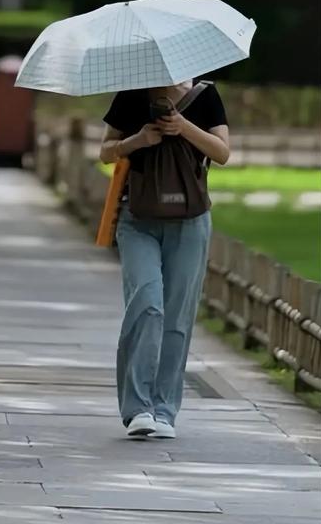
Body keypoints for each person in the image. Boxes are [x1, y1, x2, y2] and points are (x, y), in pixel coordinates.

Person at [99, 79, 230, 440]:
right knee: (147, 303)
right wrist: (138, 140)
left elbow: (222, 152)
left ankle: (164, 410)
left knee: (177, 316)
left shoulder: (205, 96)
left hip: (191, 221)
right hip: (138, 217)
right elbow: (106, 151)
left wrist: (183, 127)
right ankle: (138, 408)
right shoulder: (131, 93)